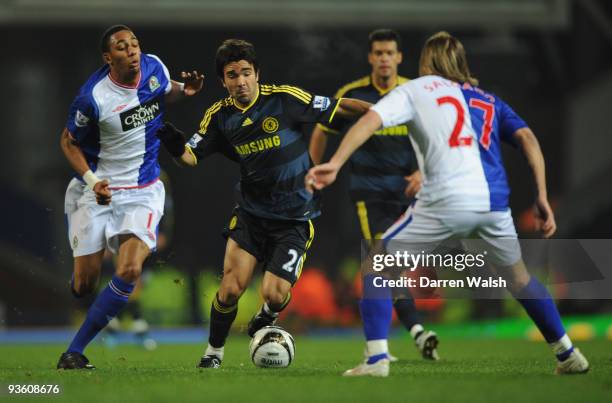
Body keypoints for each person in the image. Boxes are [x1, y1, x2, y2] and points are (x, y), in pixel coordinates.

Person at [306, 31, 589, 377]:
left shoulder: (416, 89)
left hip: (445, 199)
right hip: (494, 205)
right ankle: (568, 353)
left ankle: (377, 360)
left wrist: (335, 163)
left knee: (376, 266)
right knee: (519, 279)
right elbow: (527, 137)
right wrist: (541, 195)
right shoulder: (486, 99)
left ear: (427, 62)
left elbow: (369, 120)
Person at [156, 39, 371, 369]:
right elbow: (190, 157)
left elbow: (338, 107)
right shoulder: (219, 116)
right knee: (229, 289)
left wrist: (378, 113)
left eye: (245, 73)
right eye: (232, 75)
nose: (240, 81)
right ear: (223, 81)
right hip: (252, 216)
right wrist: (174, 147)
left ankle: (268, 314)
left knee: (274, 294)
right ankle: (214, 353)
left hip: (295, 218)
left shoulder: (285, 99)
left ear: (257, 74)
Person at [58, 24, 204, 369]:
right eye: (122, 47)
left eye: (135, 44)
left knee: (129, 270)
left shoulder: (155, 66)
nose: (133, 50)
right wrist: (92, 180)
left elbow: (165, 90)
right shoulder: (93, 97)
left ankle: (74, 352)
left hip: (142, 190)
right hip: (97, 192)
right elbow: (68, 141)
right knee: (83, 286)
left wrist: (187, 90)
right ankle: (85, 281)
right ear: (109, 58)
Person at [309, 28, 438, 361]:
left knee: (387, 266)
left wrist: (424, 172)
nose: (383, 58)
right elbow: (321, 130)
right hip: (370, 194)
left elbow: (435, 138)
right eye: (378, 53)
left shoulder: (413, 92)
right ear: (370, 57)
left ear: (398, 57)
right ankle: (407, 335)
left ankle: (403, 336)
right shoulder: (353, 94)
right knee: (384, 261)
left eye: (389, 53)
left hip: (411, 195)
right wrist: (315, 168)